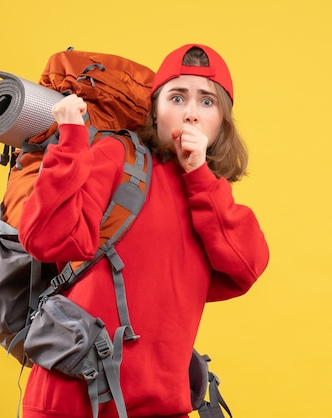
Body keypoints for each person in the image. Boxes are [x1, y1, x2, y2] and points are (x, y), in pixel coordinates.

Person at [18, 44, 269, 418]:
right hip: (70, 406)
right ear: (156, 110)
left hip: (162, 407)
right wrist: (71, 140)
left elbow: (246, 266)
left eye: (207, 102)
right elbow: (47, 238)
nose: (190, 114)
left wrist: (199, 175)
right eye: (177, 97)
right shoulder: (118, 157)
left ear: (223, 120)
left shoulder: (210, 195)